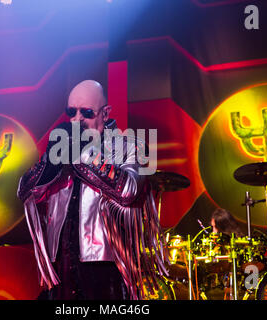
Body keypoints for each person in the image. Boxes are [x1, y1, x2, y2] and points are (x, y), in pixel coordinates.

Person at [17, 80, 167, 300]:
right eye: (71, 112)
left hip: (106, 268)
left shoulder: (130, 146)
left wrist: (84, 153)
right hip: (59, 266)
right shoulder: (63, 148)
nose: (77, 119)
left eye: (86, 112)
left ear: (105, 114)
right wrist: (49, 163)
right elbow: (25, 192)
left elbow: (129, 191)